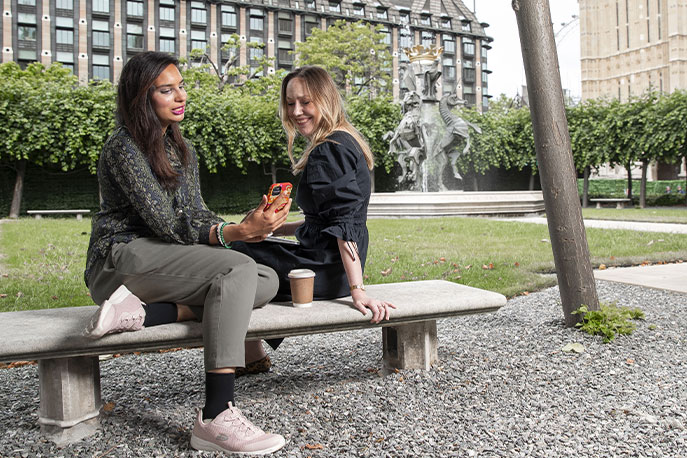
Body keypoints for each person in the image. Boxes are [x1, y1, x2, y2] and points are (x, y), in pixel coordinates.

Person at [82, 51, 289, 455]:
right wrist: (232, 234)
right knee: (237, 274)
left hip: (163, 263)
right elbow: (166, 224)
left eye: (181, 86)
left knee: (264, 280)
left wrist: (248, 223)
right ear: (142, 97)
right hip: (121, 258)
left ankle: (141, 313)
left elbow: (196, 215)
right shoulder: (125, 148)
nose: (180, 96)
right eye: (166, 89)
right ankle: (216, 415)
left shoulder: (181, 148)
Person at [232, 66, 395, 340]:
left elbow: (344, 227)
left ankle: (238, 344)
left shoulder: (328, 149)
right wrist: (269, 229)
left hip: (323, 271)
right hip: (333, 269)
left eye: (305, 102)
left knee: (232, 253)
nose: (296, 111)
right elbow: (324, 223)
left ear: (326, 99)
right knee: (248, 245)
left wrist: (358, 290)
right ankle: (252, 351)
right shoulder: (344, 140)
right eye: (290, 103)